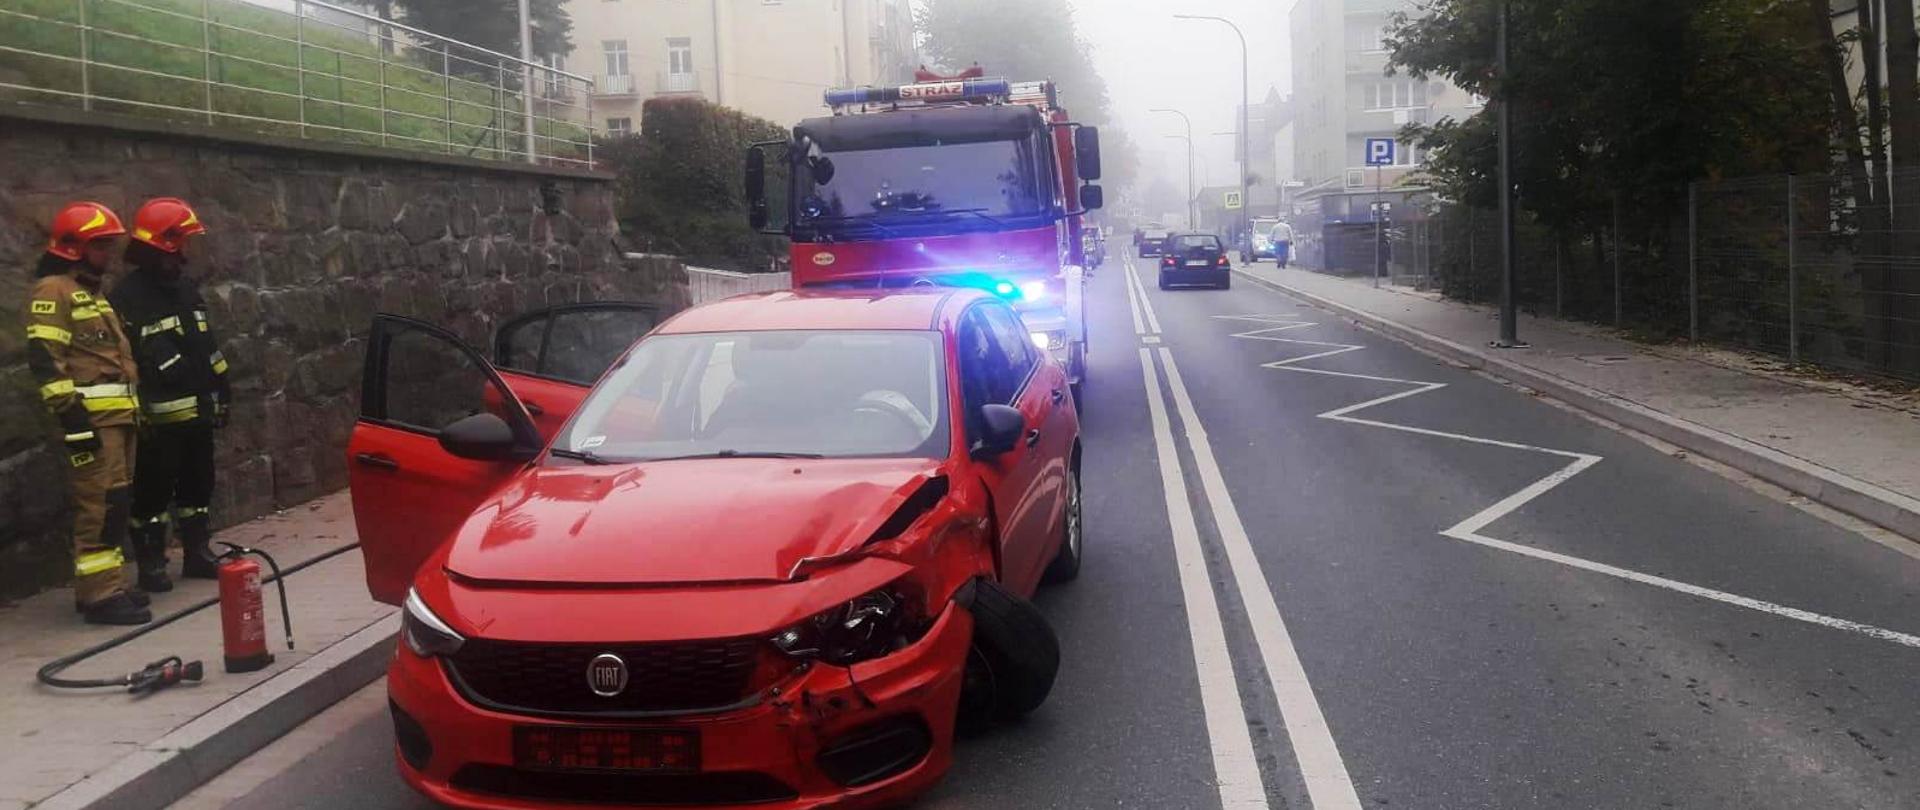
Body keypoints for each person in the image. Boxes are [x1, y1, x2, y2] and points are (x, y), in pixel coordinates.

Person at [24, 202, 151, 625]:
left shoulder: (91, 294)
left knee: (116, 503)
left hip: (116, 421)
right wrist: (72, 419)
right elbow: (45, 358)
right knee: (98, 505)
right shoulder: (53, 291)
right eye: (101, 246)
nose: (109, 255)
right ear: (75, 247)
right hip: (92, 424)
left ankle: (107, 585)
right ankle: (99, 595)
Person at [110, 198, 226, 591]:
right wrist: (138, 411)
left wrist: (221, 388)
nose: (185, 252)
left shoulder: (185, 288)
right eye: (181, 243)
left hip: (198, 411)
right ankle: (151, 563)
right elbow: (127, 360)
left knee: (198, 484)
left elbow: (205, 344)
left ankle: (197, 552)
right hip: (158, 420)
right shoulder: (128, 297)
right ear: (163, 244)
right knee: (152, 493)